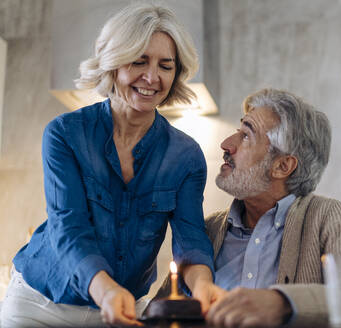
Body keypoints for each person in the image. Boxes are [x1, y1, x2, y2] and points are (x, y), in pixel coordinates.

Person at [0, 3, 223, 327]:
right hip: (41, 304)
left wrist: (203, 285)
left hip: (124, 308)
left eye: (165, 65)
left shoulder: (185, 155)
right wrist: (105, 292)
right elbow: (69, 227)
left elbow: (191, 240)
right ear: (114, 62)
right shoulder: (65, 134)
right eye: (139, 61)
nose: (152, 77)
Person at [158, 88, 341, 327]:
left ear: (283, 166)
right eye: (237, 131)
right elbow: (156, 314)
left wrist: (282, 303)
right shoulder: (209, 230)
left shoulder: (328, 218)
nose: (226, 144)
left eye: (246, 135)